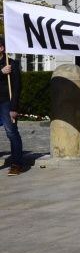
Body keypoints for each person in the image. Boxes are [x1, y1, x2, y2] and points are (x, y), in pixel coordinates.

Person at [0, 36, 23, 176]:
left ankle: (16, 164)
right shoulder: (3, 68)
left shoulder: (11, 64)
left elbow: (17, 87)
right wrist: (0, 72)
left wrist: (14, 108)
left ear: (1, 48)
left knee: (12, 133)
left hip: (5, 103)